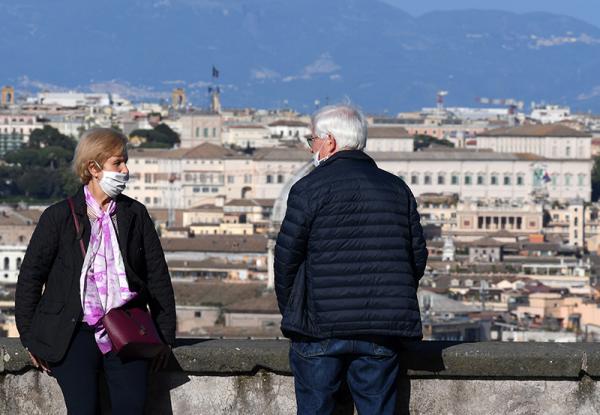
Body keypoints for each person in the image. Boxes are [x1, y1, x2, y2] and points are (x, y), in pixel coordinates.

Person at [274, 104, 428, 414]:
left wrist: (296, 311)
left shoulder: (308, 189)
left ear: (329, 141)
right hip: (381, 329)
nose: (311, 148)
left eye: (312, 141)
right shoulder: (396, 189)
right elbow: (417, 258)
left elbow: (286, 261)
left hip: (318, 328)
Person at [15, 128, 176, 414]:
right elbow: (30, 277)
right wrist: (29, 337)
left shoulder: (135, 215)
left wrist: (164, 338)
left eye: (125, 162)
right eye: (118, 163)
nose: (126, 170)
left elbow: (157, 277)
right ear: (94, 168)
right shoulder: (58, 217)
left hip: (127, 332)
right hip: (72, 334)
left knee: (131, 408)